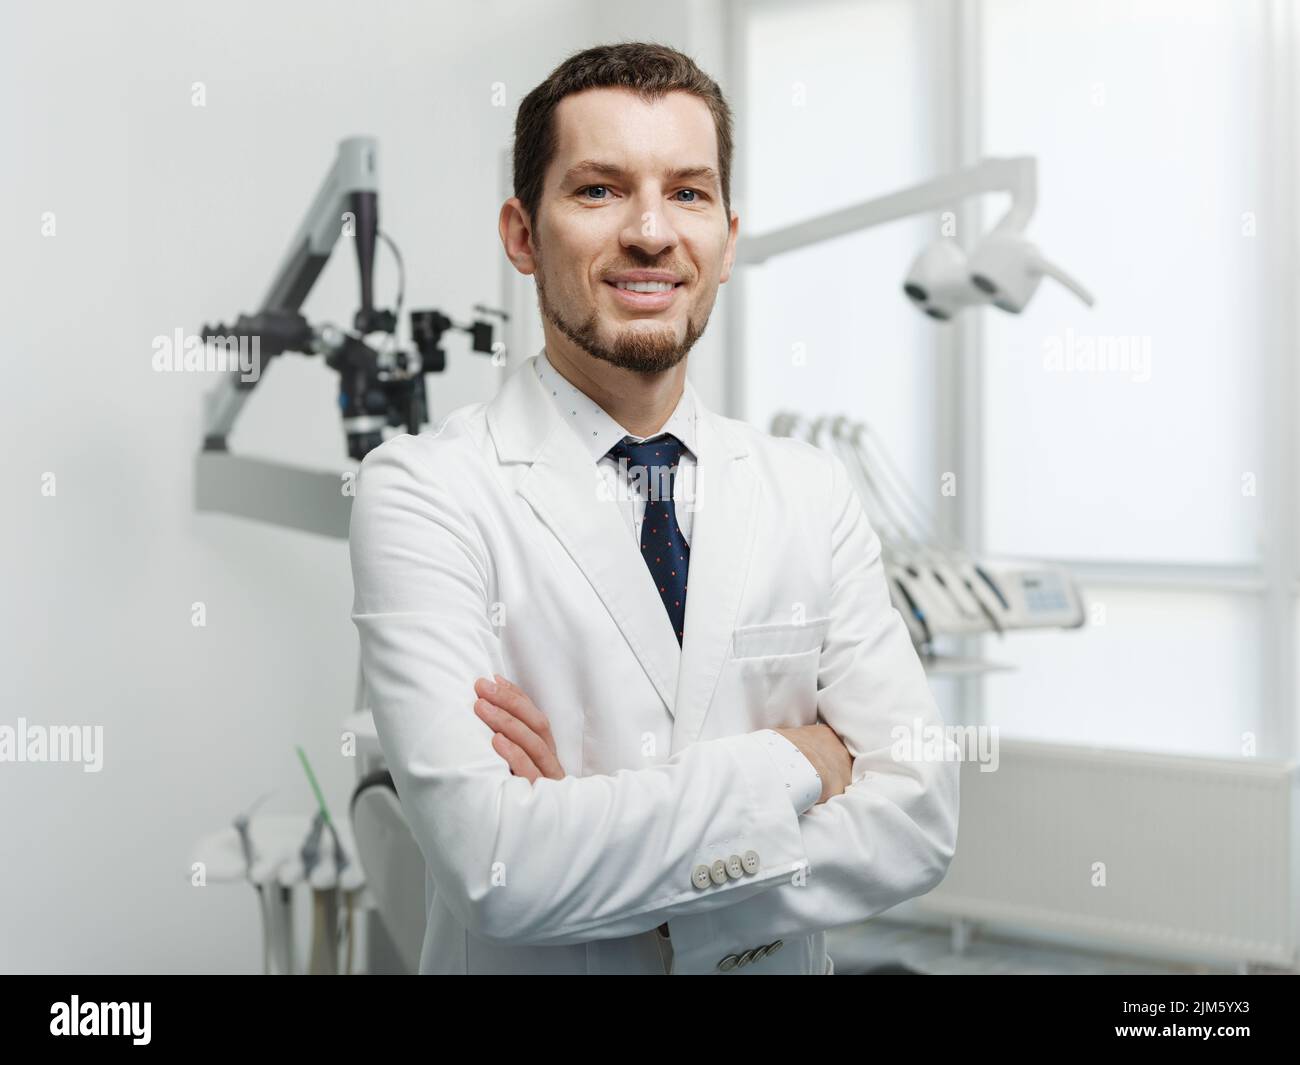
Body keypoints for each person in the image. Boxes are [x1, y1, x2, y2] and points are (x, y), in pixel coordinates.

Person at [348, 41, 959, 975]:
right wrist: (798, 761)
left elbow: (919, 817)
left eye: (688, 191)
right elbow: (494, 865)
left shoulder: (809, 491)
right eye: (597, 190)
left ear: (727, 238)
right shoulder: (425, 490)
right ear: (521, 233)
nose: (649, 231)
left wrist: (623, 868)